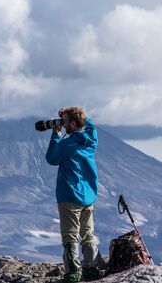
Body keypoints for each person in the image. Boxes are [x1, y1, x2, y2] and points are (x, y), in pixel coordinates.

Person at [45, 107, 101, 283]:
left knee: (70, 237)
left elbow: (51, 158)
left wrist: (55, 134)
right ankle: (91, 269)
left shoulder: (67, 144)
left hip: (69, 196)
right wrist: (77, 115)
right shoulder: (91, 140)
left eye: (66, 121)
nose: (63, 123)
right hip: (88, 196)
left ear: (73, 123)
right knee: (88, 234)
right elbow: (90, 126)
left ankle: (73, 274)